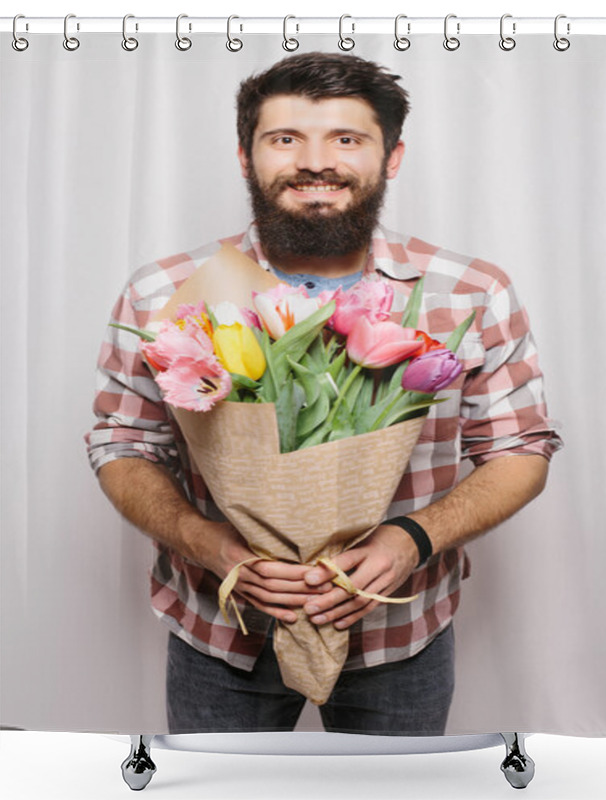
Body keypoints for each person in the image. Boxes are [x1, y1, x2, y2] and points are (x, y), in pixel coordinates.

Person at [86, 52, 562, 736]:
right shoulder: (165, 292)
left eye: (347, 139)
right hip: (223, 633)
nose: (316, 162)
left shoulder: (469, 292)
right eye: (285, 139)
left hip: (401, 631)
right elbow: (121, 444)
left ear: (391, 158)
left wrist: (412, 539)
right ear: (246, 159)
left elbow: (521, 449)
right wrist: (210, 545)